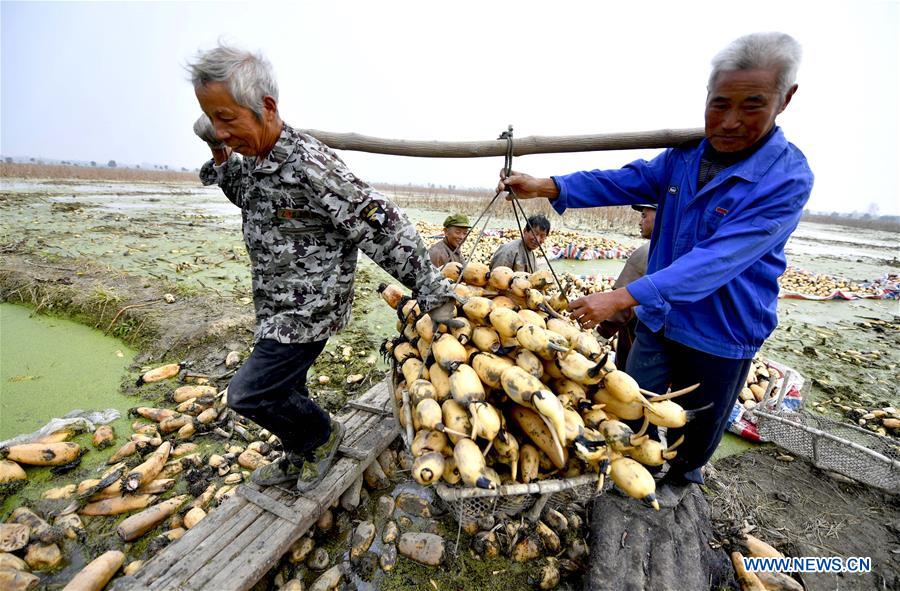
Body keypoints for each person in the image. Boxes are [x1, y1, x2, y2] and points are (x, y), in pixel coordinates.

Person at [499, 32, 812, 507]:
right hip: (659, 317)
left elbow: (718, 260)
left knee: (693, 431)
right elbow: (624, 180)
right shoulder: (684, 156)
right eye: (718, 103)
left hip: (720, 328)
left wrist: (621, 297)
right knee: (631, 402)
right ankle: (625, 475)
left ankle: (681, 490)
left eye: (752, 105)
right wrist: (547, 184)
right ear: (706, 97)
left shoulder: (785, 178)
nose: (729, 122)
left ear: (785, 100)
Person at [188, 44, 454, 492]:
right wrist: (221, 156)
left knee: (250, 394)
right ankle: (300, 450)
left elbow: (381, 225)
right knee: (289, 389)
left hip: (309, 311)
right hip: (274, 305)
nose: (220, 130)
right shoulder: (254, 159)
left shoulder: (313, 168)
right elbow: (248, 198)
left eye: (227, 119)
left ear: (266, 107)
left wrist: (432, 289)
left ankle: (320, 437)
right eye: (211, 120)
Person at [598, 204, 657, 370]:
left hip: (637, 345)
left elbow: (621, 307)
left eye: (644, 216)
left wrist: (601, 333)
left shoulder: (647, 252)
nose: (640, 222)